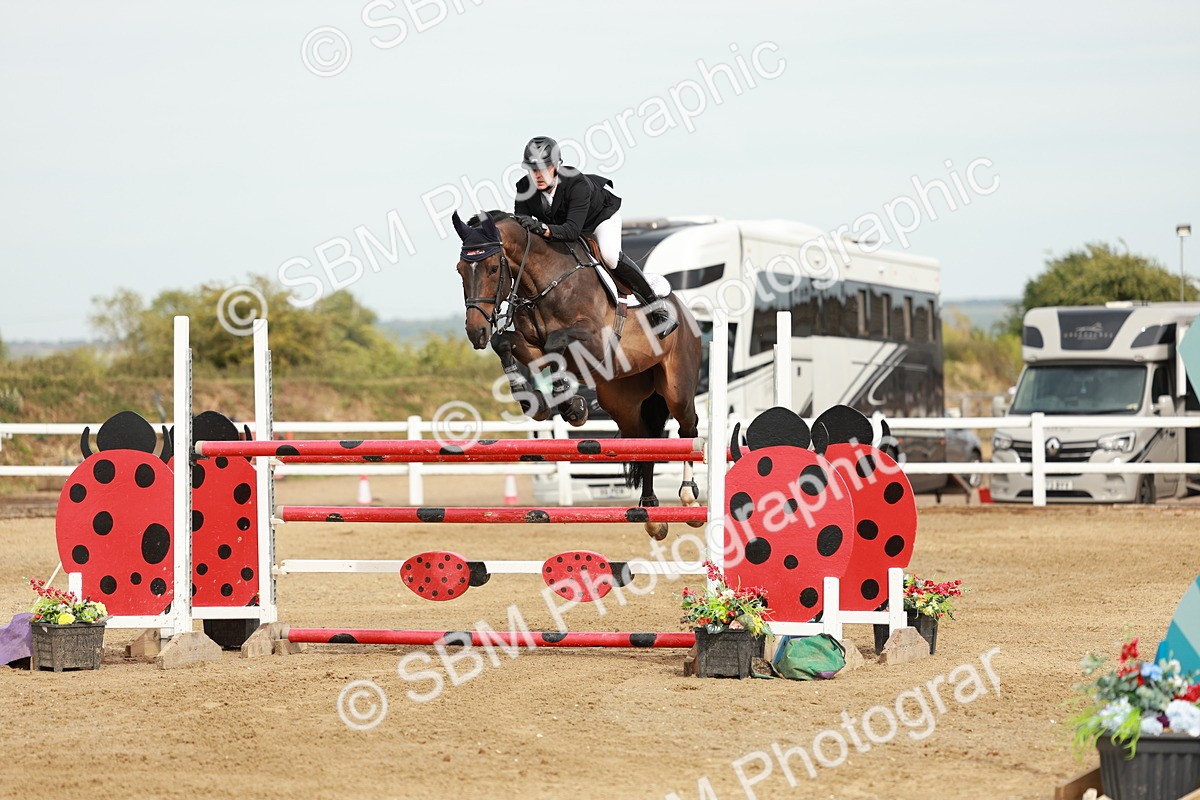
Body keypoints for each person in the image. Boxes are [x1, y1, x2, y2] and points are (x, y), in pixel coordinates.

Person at [512, 136, 677, 338]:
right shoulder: (524, 188)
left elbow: (572, 231)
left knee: (609, 256)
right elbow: (523, 231)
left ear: (556, 166)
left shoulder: (576, 183)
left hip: (599, 219)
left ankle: (657, 306)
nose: (537, 174)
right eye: (532, 169)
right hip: (563, 226)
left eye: (543, 168)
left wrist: (543, 228)